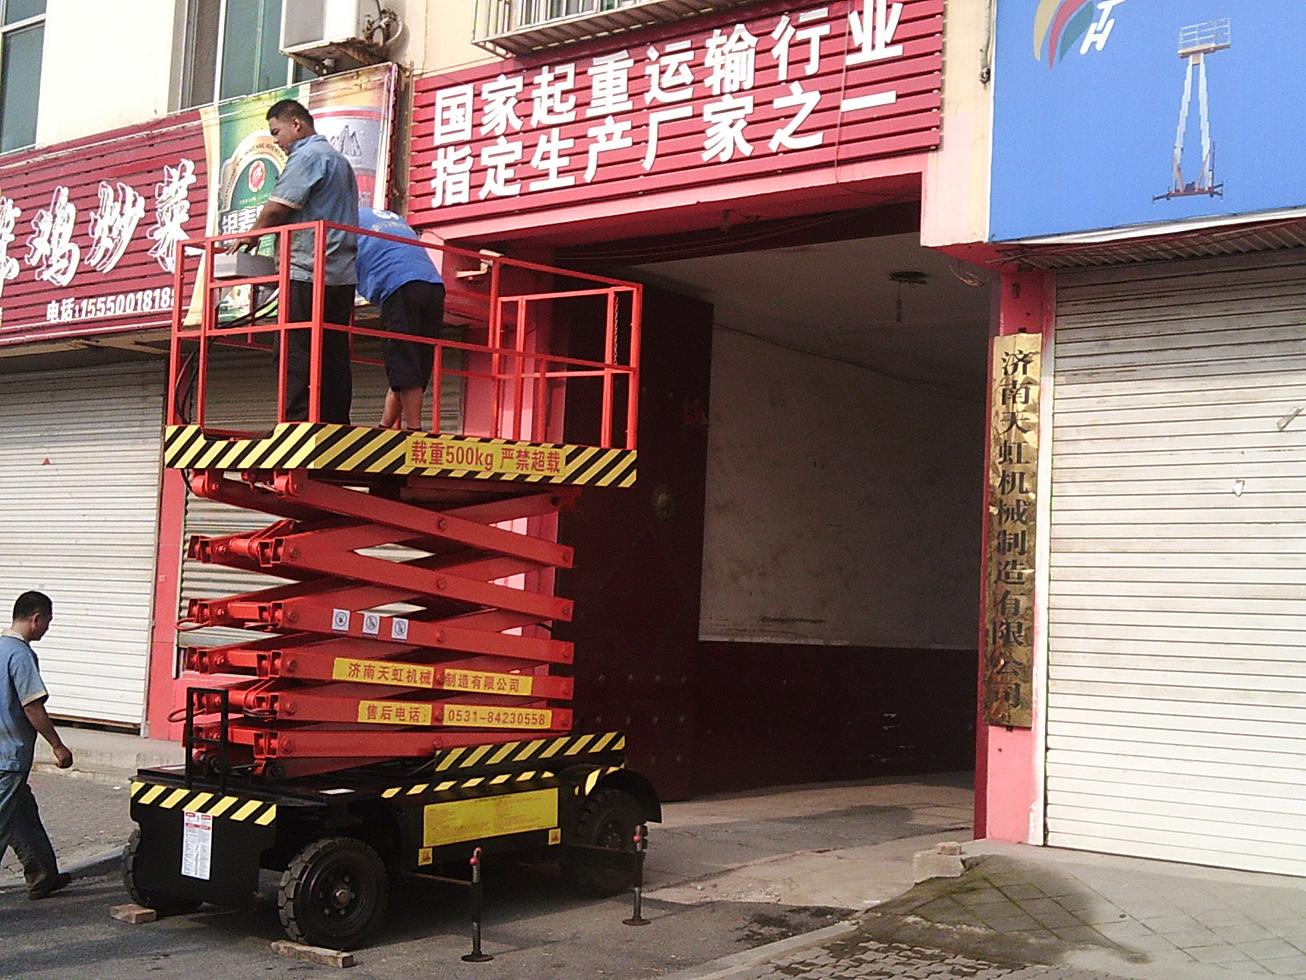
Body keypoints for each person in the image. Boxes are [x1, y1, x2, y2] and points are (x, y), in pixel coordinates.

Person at [232, 99, 360, 424]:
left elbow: (277, 207)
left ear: (297, 125)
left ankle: (296, 420)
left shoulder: (307, 156)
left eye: (277, 132)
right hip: (340, 276)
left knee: (295, 348)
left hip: (307, 270)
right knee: (332, 352)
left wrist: (250, 236)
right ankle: (333, 420)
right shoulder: (339, 161)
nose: (277, 141)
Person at [0, 591, 74, 901]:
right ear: (36, 618)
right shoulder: (20, 655)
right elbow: (33, 708)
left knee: (22, 813)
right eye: (48, 622)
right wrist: (58, 746)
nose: (47, 628)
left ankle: (43, 875)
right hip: (8, 758)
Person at [355, 207, 447, 430]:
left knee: (403, 364)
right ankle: (385, 426)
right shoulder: (392, 218)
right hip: (434, 286)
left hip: (399, 285)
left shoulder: (344, 217)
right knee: (413, 366)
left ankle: (414, 430)